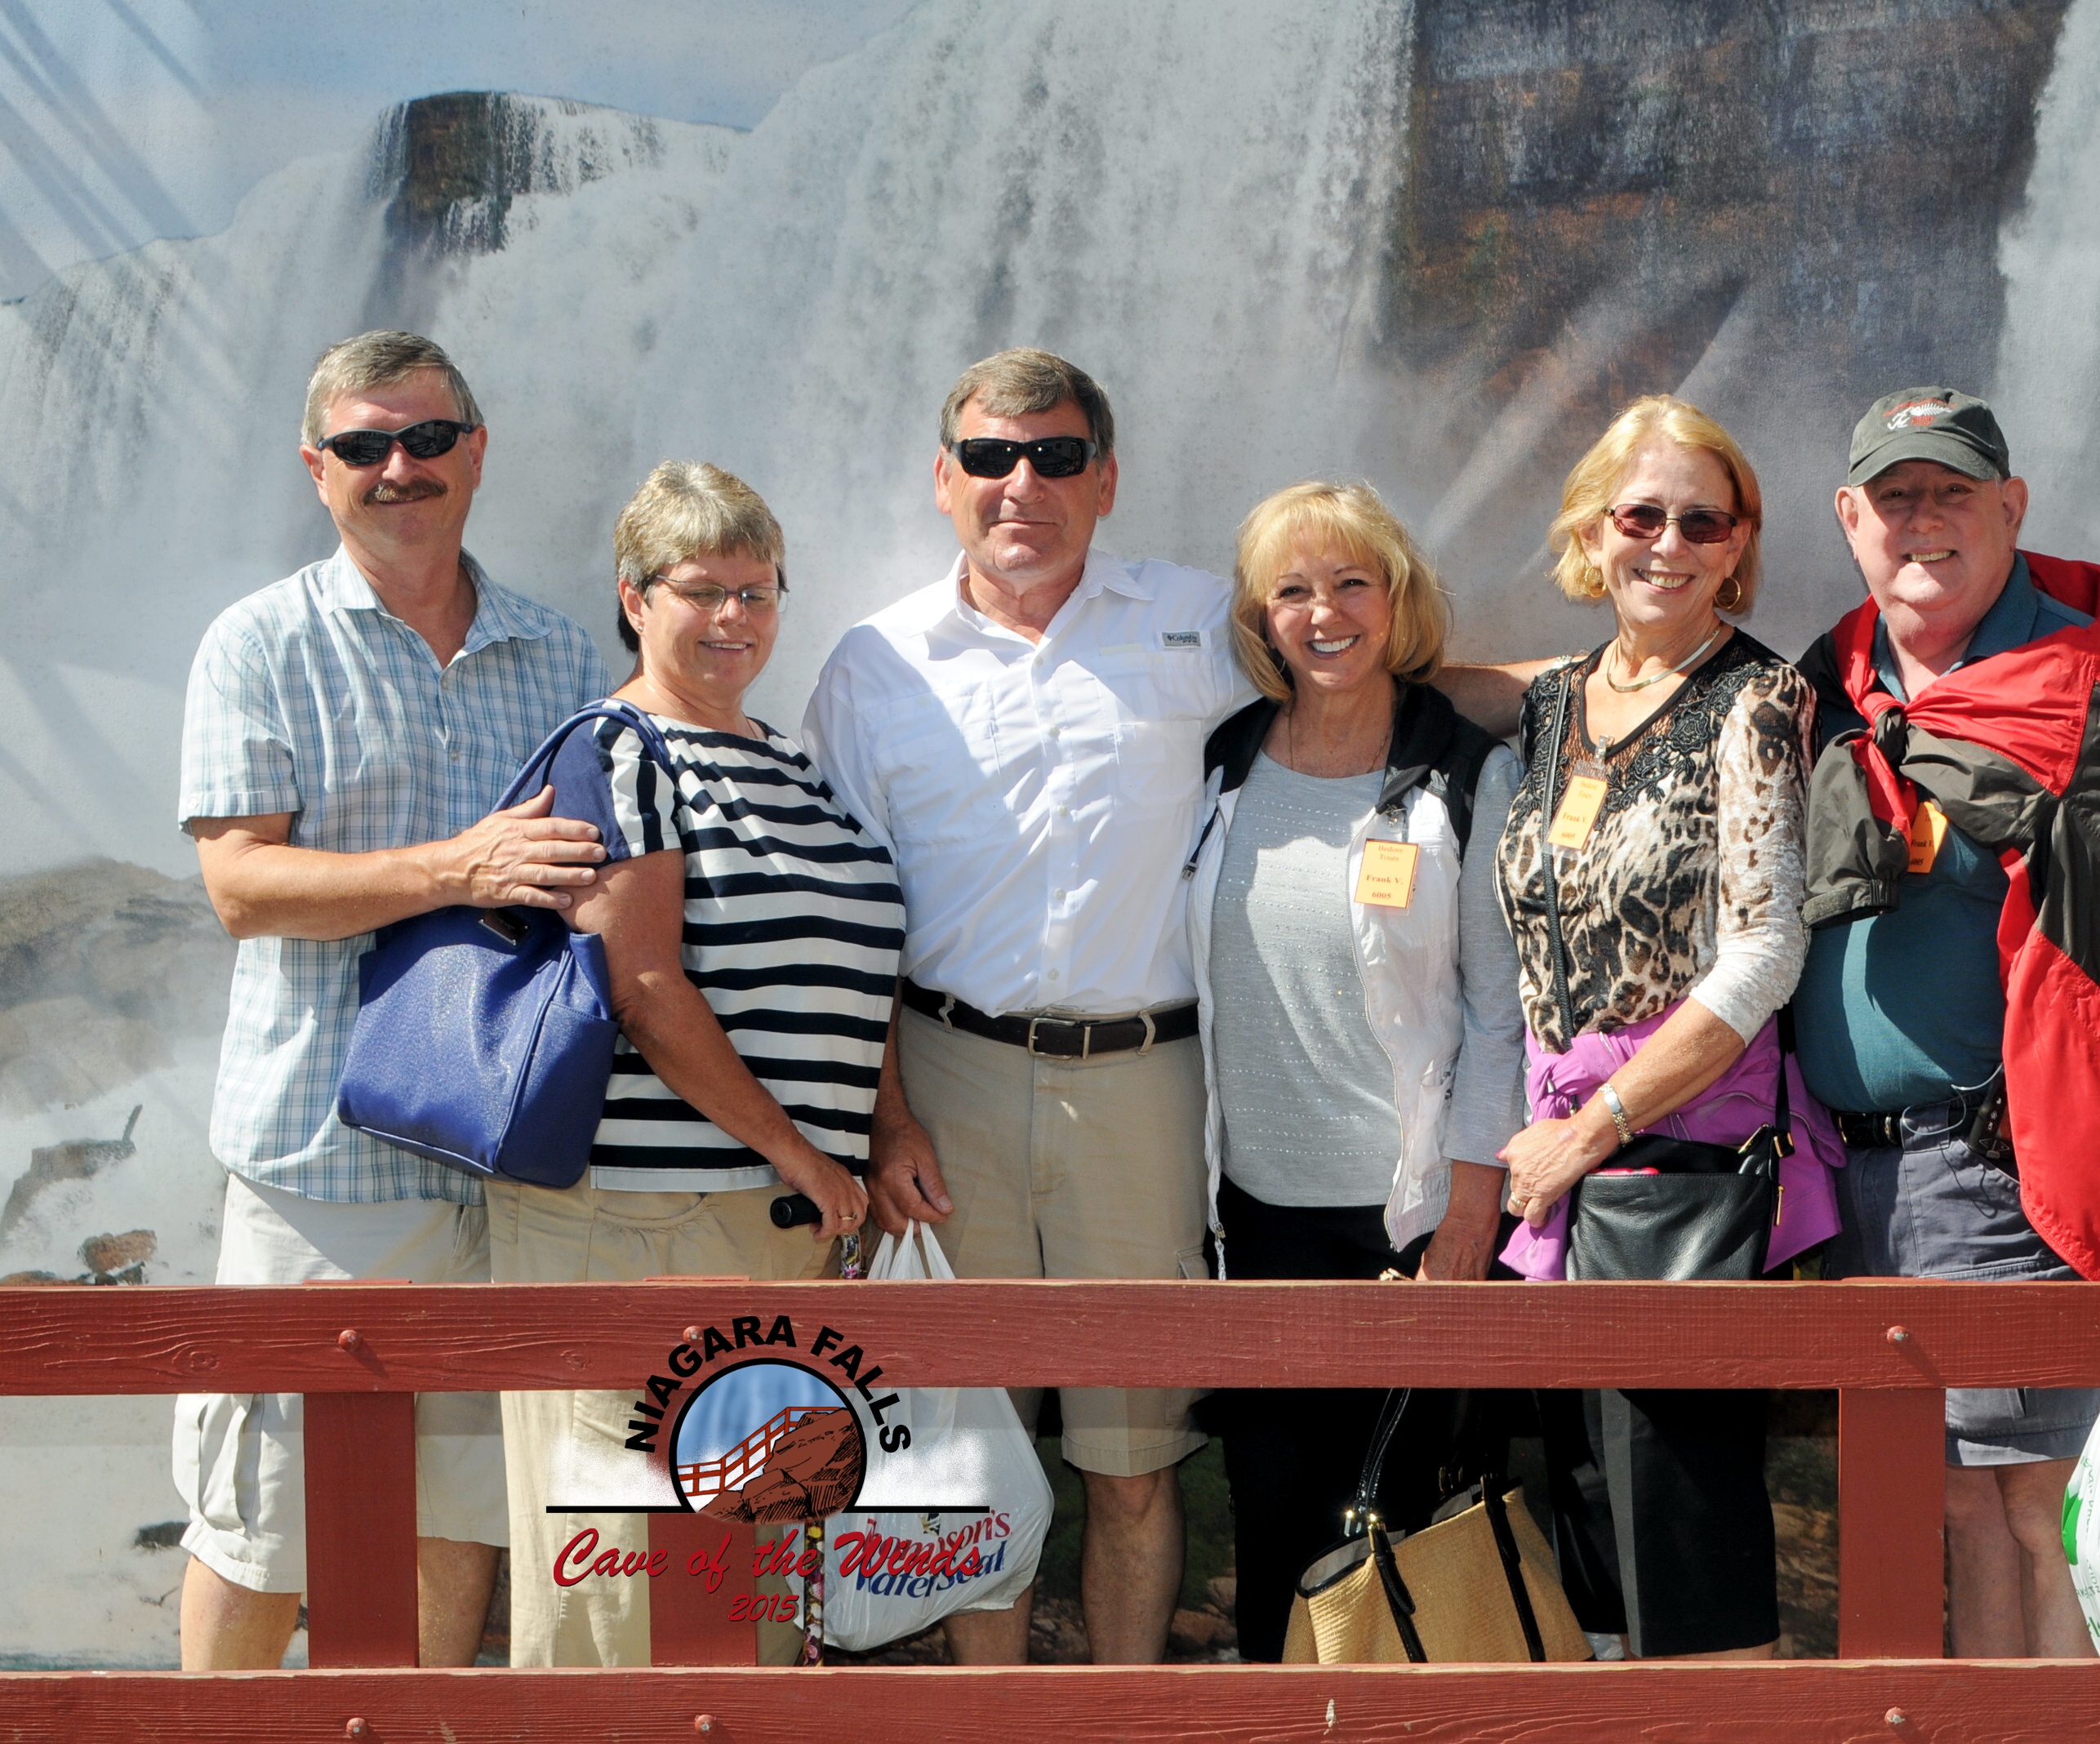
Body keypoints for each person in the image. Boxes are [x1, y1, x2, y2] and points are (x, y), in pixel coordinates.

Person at [803, 347, 1527, 1664]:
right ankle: (995, 1725)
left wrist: (1612, 691)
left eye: (1057, 456)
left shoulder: (1197, 624)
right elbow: (851, 917)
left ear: (1106, 478)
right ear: (944, 479)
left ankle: (1125, 1718)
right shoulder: (874, 665)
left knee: (1132, 1458)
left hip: (1145, 1089)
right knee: (972, 1444)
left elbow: (1359, 674)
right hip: (947, 1082)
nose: (1023, 484)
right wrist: (885, 1119)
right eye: (990, 457)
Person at [1793, 386, 2100, 1657]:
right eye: (1896, 497)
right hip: (1858, 1178)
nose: (1924, 520)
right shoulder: (1831, 682)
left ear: (2012, 508)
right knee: (1959, 1509)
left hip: (2006, 1174)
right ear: (1849, 517)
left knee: (2034, 1510)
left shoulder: (2082, 686)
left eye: (1953, 493)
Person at [174, 331, 611, 1669]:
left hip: (503, 1171)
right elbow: (241, 886)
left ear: (476, 452)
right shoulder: (258, 644)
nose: (398, 467)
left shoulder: (561, 654)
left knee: (456, 1522)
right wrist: (458, 869)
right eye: (365, 445)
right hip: (321, 1167)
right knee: (264, 1527)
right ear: (317, 468)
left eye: (426, 439)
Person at [488, 461, 895, 1666]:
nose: (733, 617)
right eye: (701, 590)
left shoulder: (792, 759)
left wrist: (881, 1131)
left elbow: (843, 977)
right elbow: (645, 987)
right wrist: (800, 1153)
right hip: (640, 1220)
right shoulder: (620, 750)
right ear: (634, 598)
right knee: (623, 1580)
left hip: (774, 1222)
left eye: (756, 592)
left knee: (745, 1574)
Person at [1493, 394, 1837, 1661]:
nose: (1670, 543)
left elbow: (1765, 955)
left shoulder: (1758, 703)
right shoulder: (1555, 703)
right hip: (1560, 1169)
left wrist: (1593, 1129)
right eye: (1643, 514)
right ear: (1593, 529)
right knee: (1588, 1537)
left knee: (1685, 1557)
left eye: (1706, 521)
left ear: (1740, 545)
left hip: (1676, 1163)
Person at [1183, 481, 1524, 1662]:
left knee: (1400, 1536)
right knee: (1273, 1519)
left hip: (1410, 1222)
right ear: (1258, 617)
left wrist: (1470, 1211)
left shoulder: (1464, 771)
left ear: (1398, 598)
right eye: (1292, 591)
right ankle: (1282, 1727)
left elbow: (1499, 1014)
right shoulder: (1223, 761)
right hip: (1256, 1219)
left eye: (1350, 584)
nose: (1323, 614)